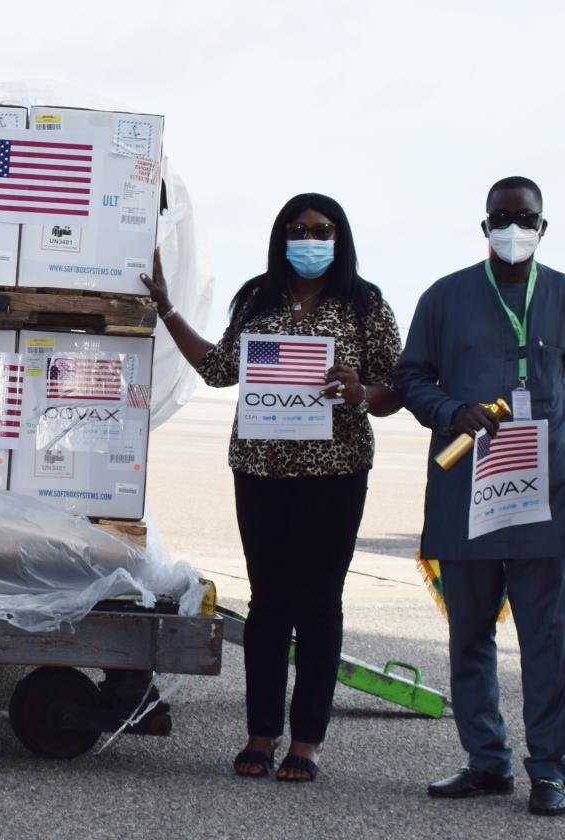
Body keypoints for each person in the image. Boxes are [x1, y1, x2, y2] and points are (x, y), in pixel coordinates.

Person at [143, 193, 403, 783]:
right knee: (267, 605)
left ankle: (306, 740)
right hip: (260, 471)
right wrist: (167, 309)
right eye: (297, 229)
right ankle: (261, 733)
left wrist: (361, 391)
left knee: (317, 604)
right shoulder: (257, 299)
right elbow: (217, 369)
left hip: (335, 474)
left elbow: (395, 390)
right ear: (280, 236)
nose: (309, 239)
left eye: (322, 229)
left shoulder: (366, 306)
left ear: (341, 238)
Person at [393, 176, 565, 817]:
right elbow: (410, 377)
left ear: (544, 226)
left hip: (541, 497)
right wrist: (452, 410)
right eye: (502, 217)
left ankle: (549, 771)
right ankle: (486, 762)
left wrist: (560, 452)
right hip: (467, 490)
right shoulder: (445, 297)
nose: (514, 228)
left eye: (526, 218)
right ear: (484, 226)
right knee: (469, 637)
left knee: (545, 638)